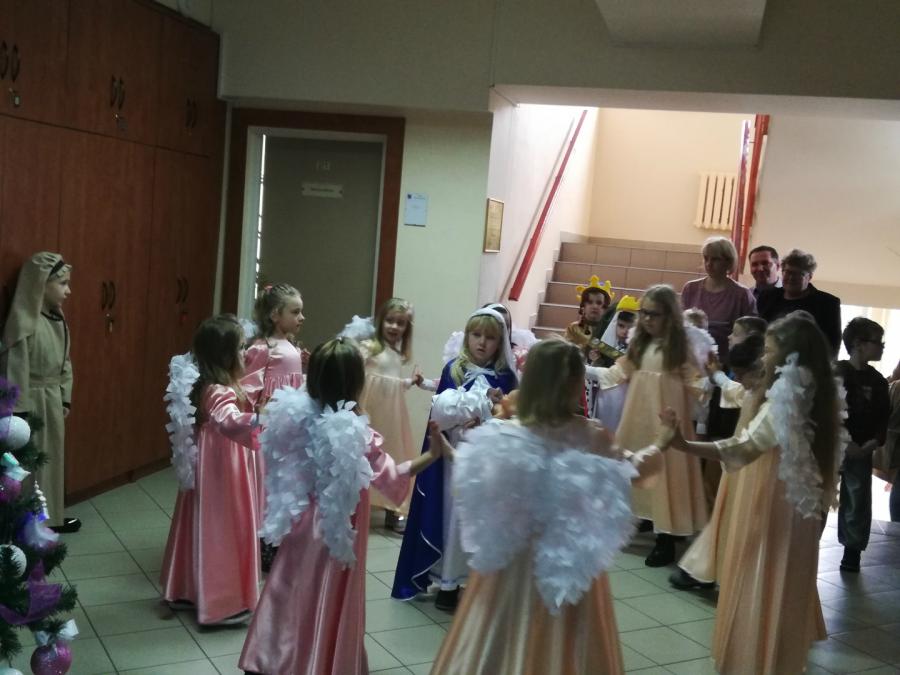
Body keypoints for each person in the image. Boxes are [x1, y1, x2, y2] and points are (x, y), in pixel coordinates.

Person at [429, 338, 669, 674]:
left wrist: (448, 451)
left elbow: (473, 478)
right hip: (568, 560)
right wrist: (662, 441)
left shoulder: (504, 432)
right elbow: (636, 471)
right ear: (573, 384)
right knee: (567, 636)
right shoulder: (592, 435)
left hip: (511, 560)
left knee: (499, 631)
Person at [238, 338, 444, 675]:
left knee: (289, 585)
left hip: (300, 524)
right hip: (339, 532)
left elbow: (267, 448)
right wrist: (432, 455)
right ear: (355, 384)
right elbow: (391, 476)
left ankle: (270, 657)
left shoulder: (296, 416)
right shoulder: (356, 433)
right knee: (328, 592)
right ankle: (322, 662)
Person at [665, 313, 844, 674]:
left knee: (759, 574)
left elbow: (744, 447)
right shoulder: (818, 392)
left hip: (772, 501)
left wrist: (683, 444)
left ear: (789, 356)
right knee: (785, 578)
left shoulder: (786, 399)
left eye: (770, 350)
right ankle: (776, 656)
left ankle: (754, 658)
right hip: (796, 509)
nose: (764, 357)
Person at [392, 307, 518, 611]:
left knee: (477, 520)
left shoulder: (507, 377)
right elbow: (442, 412)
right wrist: (480, 403)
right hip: (450, 461)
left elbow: (511, 419)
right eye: (476, 335)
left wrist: (487, 415)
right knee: (452, 517)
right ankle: (447, 583)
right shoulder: (454, 369)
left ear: (501, 341)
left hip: (486, 463)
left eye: (490, 337)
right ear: (467, 336)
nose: (482, 342)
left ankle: (473, 583)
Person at [586, 285, 708, 567]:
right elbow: (617, 373)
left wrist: (707, 394)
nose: (647, 319)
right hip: (638, 416)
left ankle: (666, 538)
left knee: (666, 472)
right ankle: (644, 516)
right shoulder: (638, 345)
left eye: (655, 314)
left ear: (670, 316)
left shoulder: (680, 348)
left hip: (665, 419)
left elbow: (696, 382)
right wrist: (585, 369)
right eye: (644, 313)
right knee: (638, 463)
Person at [160, 314, 264, 626]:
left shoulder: (205, 385)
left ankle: (186, 589)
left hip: (209, 461)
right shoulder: (219, 391)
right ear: (225, 355)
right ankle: (221, 602)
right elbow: (229, 421)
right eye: (241, 348)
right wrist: (263, 419)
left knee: (199, 519)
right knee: (221, 524)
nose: (246, 353)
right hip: (222, 466)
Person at [670, 318, 767, 590]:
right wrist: (716, 375)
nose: (730, 338)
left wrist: (686, 445)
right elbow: (736, 391)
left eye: (736, 334)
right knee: (726, 515)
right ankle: (704, 569)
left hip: (749, 464)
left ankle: (713, 571)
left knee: (739, 519)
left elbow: (747, 442)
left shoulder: (768, 397)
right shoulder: (753, 389)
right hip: (737, 463)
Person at [0, 252, 79, 533]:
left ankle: (51, 517)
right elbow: (15, 367)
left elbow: (65, 363)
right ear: (41, 284)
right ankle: (29, 524)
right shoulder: (23, 325)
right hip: (31, 402)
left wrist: (65, 396)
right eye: (63, 284)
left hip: (52, 399)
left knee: (52, 461)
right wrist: (18, 410)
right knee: (31, 463)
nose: (68, 291)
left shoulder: (57, 319)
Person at [244, 283, 308, 569]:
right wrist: (258, 410)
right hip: (269, 430)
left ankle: (281, 539)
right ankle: (264, 544)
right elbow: (248, 387)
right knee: (269, 484)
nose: (301, 317)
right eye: (295, 312)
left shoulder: (289, 346)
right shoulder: (262, 348)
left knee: (285, 482)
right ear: (274, 315)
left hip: (289, 429)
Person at [357, 298, 434, 531]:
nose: (394, 327)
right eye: (390, 321)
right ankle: (357, 506)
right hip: (370, 411)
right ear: (381, 321)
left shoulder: (396, 355)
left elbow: (391, 382)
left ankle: (392, 508)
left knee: (392, 455)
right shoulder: (370, 348)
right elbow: (359, 374)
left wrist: (411, 381)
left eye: (400, 323)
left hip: (391, 416)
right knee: (365, 454)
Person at [835, 317, 891, 572]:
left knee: (858, 500)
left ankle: (852, 552)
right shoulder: (836, 372)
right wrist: (844, 442)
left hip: (863, 447)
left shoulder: (878, 381)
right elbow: (827, 411)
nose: (882, 347)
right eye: (877, 342)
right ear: (858, 344)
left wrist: (871, 443)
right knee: (820, 496)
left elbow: (883, 417)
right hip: (835, 445)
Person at [680, 236, 756, 364]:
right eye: (706, 258)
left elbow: (751, 333)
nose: (709, 264)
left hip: (727, 362)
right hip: (693, 360)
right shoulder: (690, 288)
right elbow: (680, 325)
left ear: (728, 262)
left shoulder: (742, 294)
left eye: (715, 259)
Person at [756, 249, 842, 355]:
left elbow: (833, 345)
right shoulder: (767, 297)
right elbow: (758, 332)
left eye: (798, 274)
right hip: (768, 359)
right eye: (788, 272)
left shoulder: (827, 303)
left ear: (809, 277)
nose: (791, 277)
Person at [565, 277, 613, 353]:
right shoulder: (574, 328)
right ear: (583, 306)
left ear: (605, 308)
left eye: (599, 303)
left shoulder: (610, 330)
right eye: (590, 302)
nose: (595, 306)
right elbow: (566, 352)